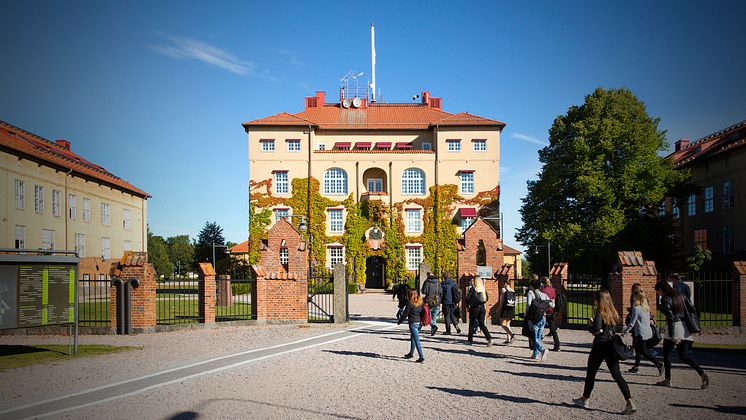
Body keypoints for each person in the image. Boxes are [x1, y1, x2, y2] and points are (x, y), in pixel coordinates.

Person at [573, 290, 636, 415]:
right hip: (610, 344)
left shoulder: (599, 312)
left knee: (591, 373)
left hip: (600, 345)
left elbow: (596, 329)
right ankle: (629, 402)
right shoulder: (612, 312)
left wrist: (589, 325)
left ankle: (585, 399)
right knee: (617, 375)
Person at [654, 281, 708, 389]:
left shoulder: (665, 299)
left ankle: (667, 380)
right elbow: (692, 309)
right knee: (684, 356)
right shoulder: (681, 296)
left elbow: (670, 318)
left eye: (658, 292)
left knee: (667, 355)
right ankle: (702, 373)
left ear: (661, 290)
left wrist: (673, 335)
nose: (658, 294)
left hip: (673, 329)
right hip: (684, 328)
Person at [624, 288, 663, 375]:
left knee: (643, 352)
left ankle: (658, 364)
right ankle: (636, 367)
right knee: (638, 349)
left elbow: (632, 323)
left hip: (641, 333)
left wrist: (625, 332)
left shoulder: (636, 309)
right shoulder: (646, 308)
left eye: (634, 297)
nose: (633, 298)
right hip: (647, 332)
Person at [526, 278, 553, 361]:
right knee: (538, 336)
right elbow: (552, 305)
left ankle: (542, 350)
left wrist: (527, 315)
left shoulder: (531, 293)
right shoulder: (543, 294)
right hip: (543, 317)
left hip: (534, 318)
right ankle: (535, 354)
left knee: (534, 337)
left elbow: (528, 306)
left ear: (532, 286)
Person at [397, 288, 425, 363]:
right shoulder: (420, 302)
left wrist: (400, 321)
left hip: (413, 323)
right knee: (413, 337)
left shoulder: (409, 304)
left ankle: (421, 356)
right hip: (419, 323)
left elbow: (405, 314)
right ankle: (411, 353)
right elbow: (422, 313)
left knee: (416, 340)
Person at [466, 276, 492, 346]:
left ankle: (470, 340)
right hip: (482, 308)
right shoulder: (483, 289)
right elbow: (486, 299)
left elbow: (468, 298)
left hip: (474, 308)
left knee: (472, 324)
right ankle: (489, 338)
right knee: (482, 324)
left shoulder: (472, 289)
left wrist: (467, 306)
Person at [541, 276, 561, 351]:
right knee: (552, 329)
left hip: (545, 311)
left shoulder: (543, 290)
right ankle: (557, 344)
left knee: (539, 327)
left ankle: (536, 344)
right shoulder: (553, 290)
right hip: (552, 310)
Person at [496, 278, 516, 344]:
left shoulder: (503, 290)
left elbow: (502, 301)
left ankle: (512, 335)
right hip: (511, 309)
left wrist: (499, 309)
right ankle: (508, 340)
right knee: (508, 324)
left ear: (505, 283)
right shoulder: (513, 291)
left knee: (502, 324)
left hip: (505, 309)